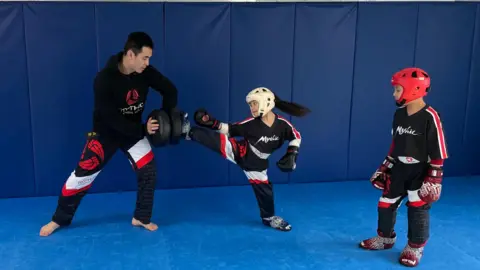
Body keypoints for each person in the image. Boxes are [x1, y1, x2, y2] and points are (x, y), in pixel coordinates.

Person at [39, 32, 187, 236]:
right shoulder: (104, 79)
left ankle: (141, 217)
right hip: (105, 133)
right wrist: (143, 129)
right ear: (130, 55)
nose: (147, 62)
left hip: (132, 132)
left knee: (148, 171)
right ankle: (58, 219)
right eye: (145, 57)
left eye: (149, 58)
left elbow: (171, 90)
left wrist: (167, 118)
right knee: (81, 176)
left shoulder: (146, 72)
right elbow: (111, 119)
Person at [181, 87, 311, 231]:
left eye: (254, 103)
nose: (252, 108)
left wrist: (292, 153)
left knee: (265, 191)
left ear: (266, 102)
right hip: (240, 151)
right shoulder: (251, 123)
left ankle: (269, 218)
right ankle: (188, 132)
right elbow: (229, 130)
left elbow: (296, 135)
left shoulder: (282, 125)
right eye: (250, 105)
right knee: (214, 140)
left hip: (257, 164)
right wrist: (211, 122)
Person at [359, 67, 449, 267]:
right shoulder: (399, 115)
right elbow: (396, 142)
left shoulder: (430, 116)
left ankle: (415, 247)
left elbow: (439, 147)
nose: (394, 94)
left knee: (418, 208)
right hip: (399, 168)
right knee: (385, 203)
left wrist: (435, 177)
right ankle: (385, 238)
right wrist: (386, 165)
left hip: (420, 171)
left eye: (398, 90)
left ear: (414, 88)